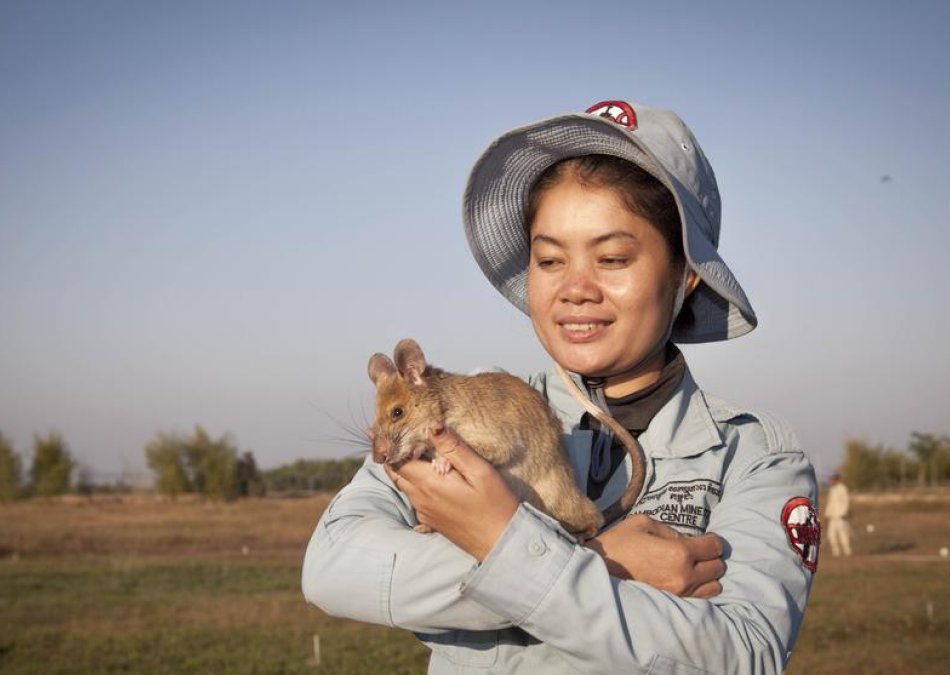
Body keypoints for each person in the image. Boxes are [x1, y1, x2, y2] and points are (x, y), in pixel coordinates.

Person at [302, 100, 819, 674]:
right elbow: (333, 569)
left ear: (684, 275)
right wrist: (593, 563)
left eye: (613, 257)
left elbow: (745, 654)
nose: (575, 288)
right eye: (549, 261)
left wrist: (500, 551)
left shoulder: (753, 457)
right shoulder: (453, 420)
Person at [824, 472, 853, 557]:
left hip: (841, 515)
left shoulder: (842, 488)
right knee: (831, 534)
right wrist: (827, 514)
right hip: (833, 516)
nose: (831, 481)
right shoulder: (832, 490)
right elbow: (830, 503)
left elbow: (846, 501)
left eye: (832, 480)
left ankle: (847, 551)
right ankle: (836, 552)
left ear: (837, 480)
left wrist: (844, 512)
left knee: (843, 533)